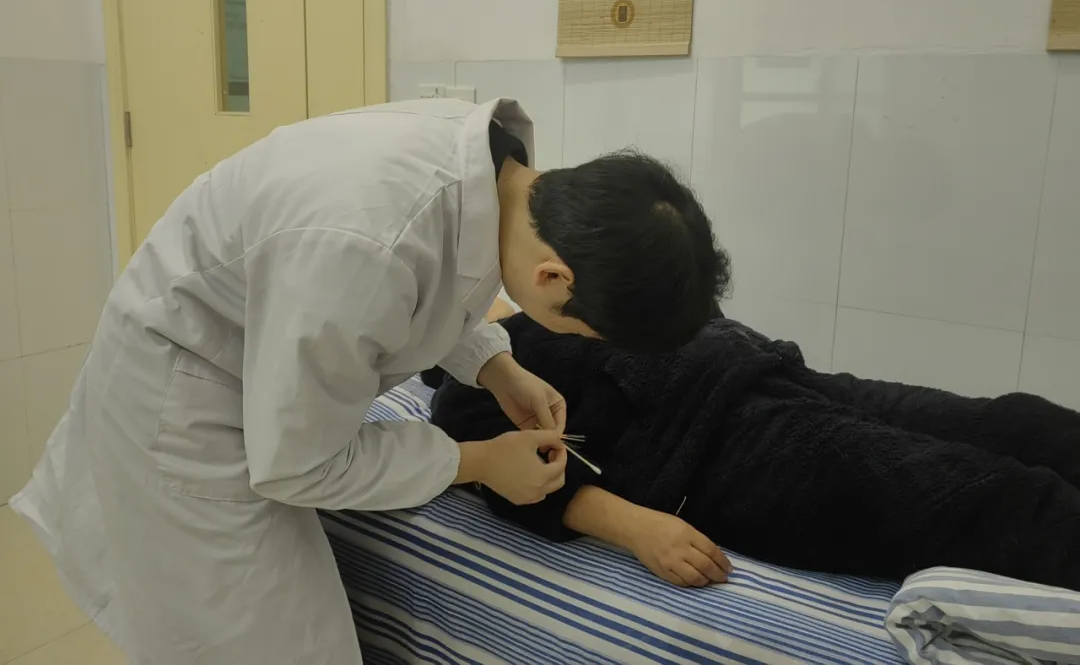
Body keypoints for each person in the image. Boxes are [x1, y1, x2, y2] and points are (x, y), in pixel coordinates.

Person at [10, 98, 726, 665]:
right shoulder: (365, 247)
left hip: (256, 347)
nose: (571, 342)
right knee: (272, 647)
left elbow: (438, 274)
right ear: (553, 278)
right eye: (580, 330)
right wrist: (479, 463)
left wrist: (495, 364)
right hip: (184, 400)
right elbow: (300, 462)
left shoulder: (495, 172)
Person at [430, 309, 1080, 591]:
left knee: (1017, 422)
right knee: (984, 498)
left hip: (776, 377)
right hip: (721, 453)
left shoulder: (544, 299)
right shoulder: (471, 385)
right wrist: (637, 527)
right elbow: (505, 473)